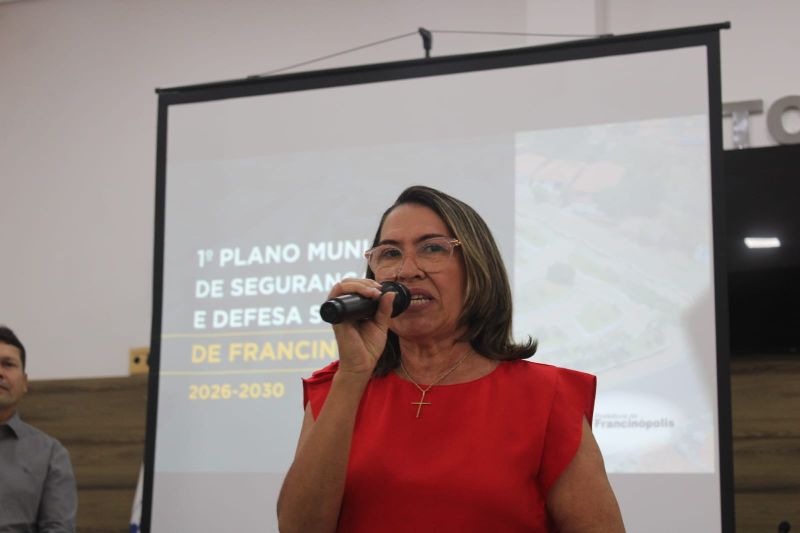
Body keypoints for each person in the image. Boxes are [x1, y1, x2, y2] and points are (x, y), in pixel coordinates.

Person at [277, 186, 624, 532]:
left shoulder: (547, 397)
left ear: (476, 268)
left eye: (432, 248)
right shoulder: (339, 388)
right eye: (390, 253)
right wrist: (353, 374)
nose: (406, 271)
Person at [0, 326, 77, 533]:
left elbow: (59, 528)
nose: (0, 372)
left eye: (8, 364)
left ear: (24, 382)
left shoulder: (51, 454)